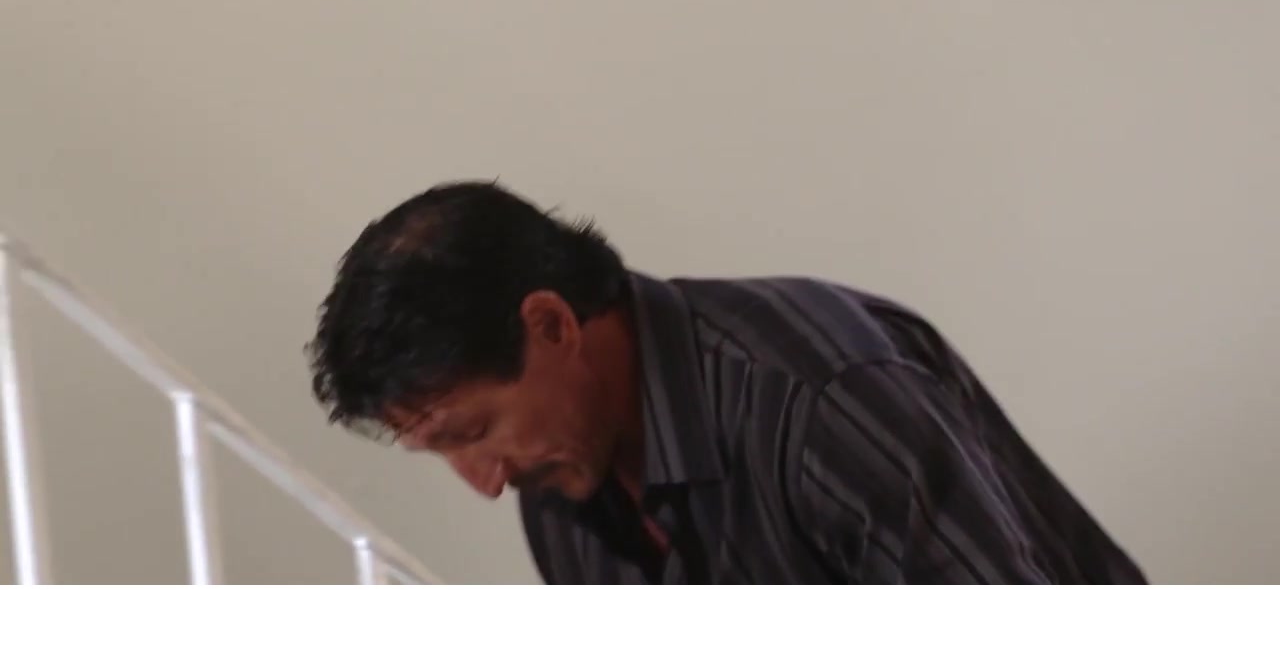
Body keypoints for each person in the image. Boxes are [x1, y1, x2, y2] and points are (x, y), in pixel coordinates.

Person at [305, 180, 1147, 584]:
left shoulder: (821, 398)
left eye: (471, 433)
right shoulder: (561, 490)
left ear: (553, 326)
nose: (484, 482)